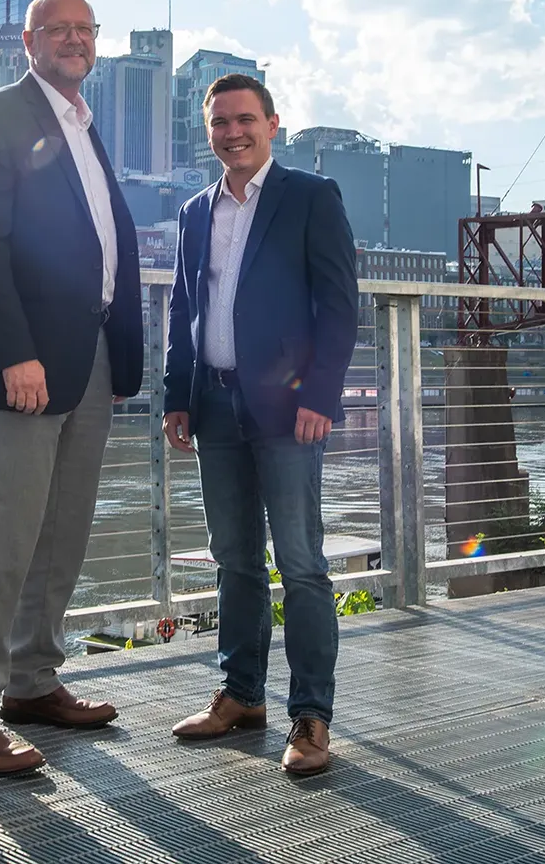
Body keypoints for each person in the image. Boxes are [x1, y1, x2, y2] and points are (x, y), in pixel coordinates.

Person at [0, 0, 144, 776]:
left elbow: (102, 241)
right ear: (28, 41)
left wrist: (120, 358)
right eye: (58, 29)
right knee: (6, 533)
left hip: (90, 355)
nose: (74, 40)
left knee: (63, 529)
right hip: (29, 360)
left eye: (85, 28)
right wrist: (14, 352)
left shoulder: (84, 125)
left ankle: (32, 680)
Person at [161, 73, 358, 777]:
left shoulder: (310, 197)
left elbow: (339, 305)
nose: (232, 133)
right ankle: (242, 695)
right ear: (208, 133)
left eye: (245, 119)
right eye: (220, 123)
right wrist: (176, 396)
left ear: (272, 125)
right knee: (234, 559)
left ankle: (312, 716)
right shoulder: (194, 212)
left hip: (288, 409)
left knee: (301, 563)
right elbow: (184, 309)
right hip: (213, 405)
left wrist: (321, 395)